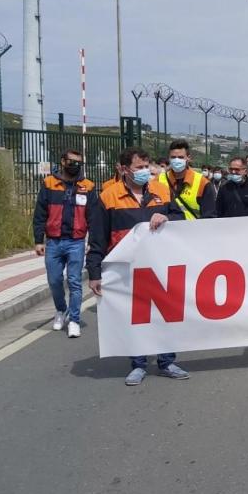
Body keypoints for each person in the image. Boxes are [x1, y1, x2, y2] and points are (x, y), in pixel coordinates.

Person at [87, 147, 189, 386]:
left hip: (160, 265)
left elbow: (181, 219)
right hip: (126, 269)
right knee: (135, 317)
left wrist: (167, 218)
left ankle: (167, 361)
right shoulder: (108, 197)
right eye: (138, 168)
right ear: (124, 169)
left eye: (146, 167)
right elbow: (98, 238)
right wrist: (94, 273)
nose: (144, 172)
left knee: (165, 315)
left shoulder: (161, 192)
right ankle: (138, 364)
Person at [33, 150, 97, 338]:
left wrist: (91, 241)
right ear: (63, 161)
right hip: (53, 241)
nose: (75, 165)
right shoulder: (49, 184)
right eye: (72, 161)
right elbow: (40, 214)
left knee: (75, 282)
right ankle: (61, 310)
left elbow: (93, 217)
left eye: (79, 162)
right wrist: (38, 240)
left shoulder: (88, 186)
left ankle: (75, 320)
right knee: (54, 281)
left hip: (76, 242)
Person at [157, 139, 217, 220]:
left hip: (192, 231)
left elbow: (209, 216)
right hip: (166, 230)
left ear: (188, 158)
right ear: (169, 158)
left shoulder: (202, 183)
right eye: (173, 157)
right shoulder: (158, 180)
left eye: (181, 157)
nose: (176, 160)